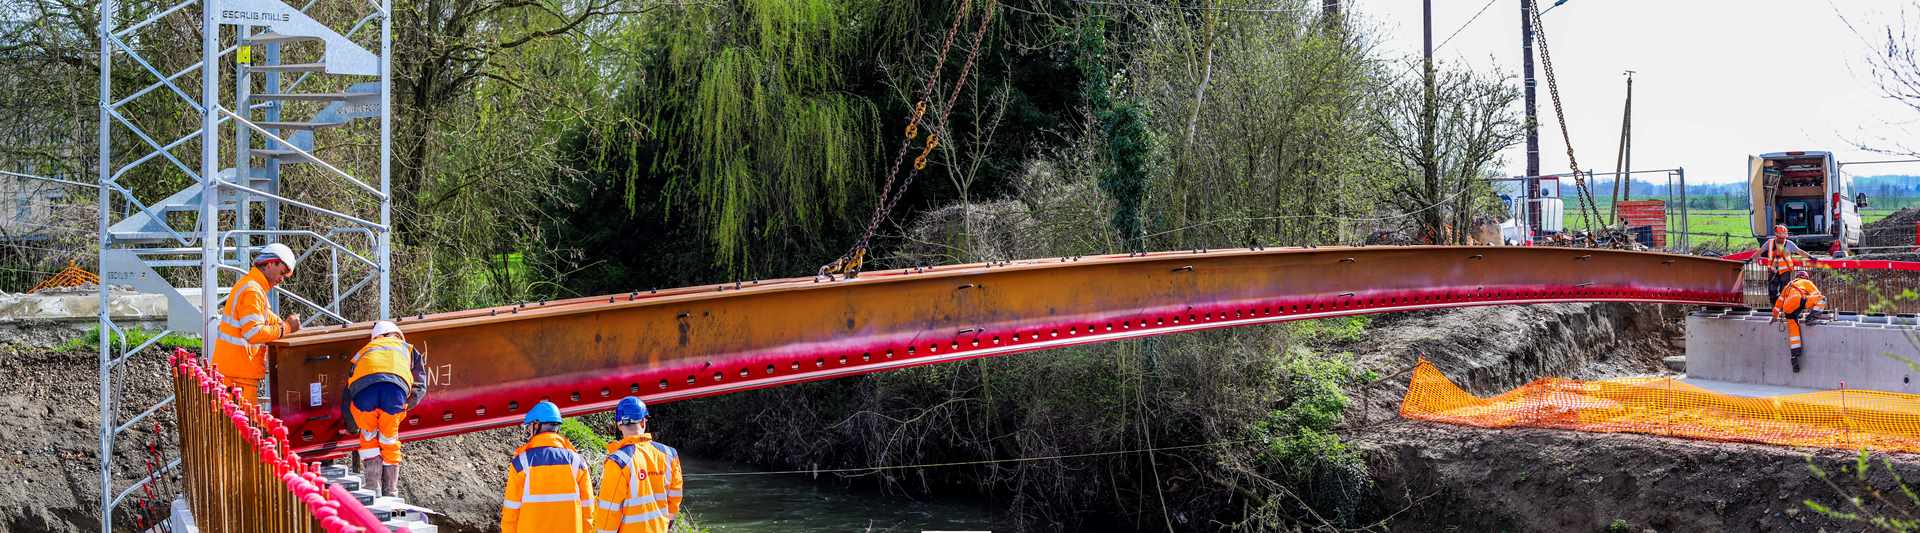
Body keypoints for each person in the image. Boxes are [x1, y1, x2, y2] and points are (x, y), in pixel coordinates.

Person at [346, 320, 427, 497]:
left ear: (375, 337)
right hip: (394, 393)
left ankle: (372, 486)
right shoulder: (408, 349)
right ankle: (391, 491)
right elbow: (420, 386)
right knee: (389, 440)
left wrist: (351, 422)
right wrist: (404, 406)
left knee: (368, 436)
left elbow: (349, 388)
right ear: (398, 334)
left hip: (363, 392)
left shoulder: (364, 352)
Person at [211, 243, 302, 401]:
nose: (281, 279)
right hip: (237, 378)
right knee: (240, 425)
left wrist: (285, 325)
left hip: (235, 374)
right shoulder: (253, 291)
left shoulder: (253, 287)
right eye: (281, 273)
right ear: (270, 264)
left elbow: (265, 317)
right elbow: (253, 332)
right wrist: (286, 327)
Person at [593, 397, 683, 533]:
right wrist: (666, 524)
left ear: (618, 425)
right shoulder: (670, 455)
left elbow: (609, 510)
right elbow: (675, 497)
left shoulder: (618, 461)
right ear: (643, 422)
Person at [502, 400, 594, 533]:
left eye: (530, 426)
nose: (528, 430)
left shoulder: (521, 463)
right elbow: (588, 509)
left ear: (536, 425)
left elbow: (511, 512)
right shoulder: (577, 462)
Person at [1771, 269, 1829, 374]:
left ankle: (1794, 355)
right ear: (1805, 277)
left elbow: (1779, 302)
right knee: (1822, 299)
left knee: (1794, 333)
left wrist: (1774, 316)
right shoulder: (1807, 282)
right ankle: (1811, 318)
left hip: (1787, 309)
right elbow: (1817, 295)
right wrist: (1815, 309)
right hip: (1799, 300)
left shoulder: (1788, 285)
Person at [1746, 225, 1814, 308]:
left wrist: (1810, 257)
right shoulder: (1770, 243)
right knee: (1772, 291)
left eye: (1783, 234)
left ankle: (1783, 307)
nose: (1782, 236)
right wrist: (1751, 259)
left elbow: (1799, 251)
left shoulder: (1789, 243)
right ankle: (1775, 307)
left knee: (1784, 291)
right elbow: (1760, 251)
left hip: (1785, 271)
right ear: (1776, 234)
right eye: (1780, 234)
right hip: (1773, 270)